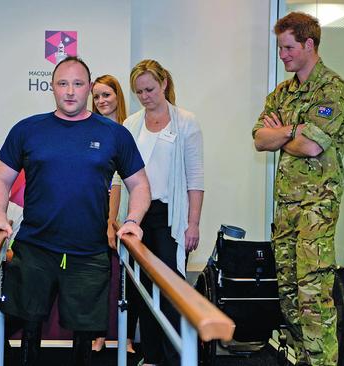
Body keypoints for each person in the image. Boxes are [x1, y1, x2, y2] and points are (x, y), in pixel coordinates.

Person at [0, 56, 151, 366]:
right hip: (36, 247)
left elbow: (140, 184)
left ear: (89, 87)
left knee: (85, 334)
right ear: (52, 87)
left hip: (88, 252)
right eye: (63, 84)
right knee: (29, 326)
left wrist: (132, 221)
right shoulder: (28, 129)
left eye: (78, 84)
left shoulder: (113, 134)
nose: (70, 91)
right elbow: (0, 178)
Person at [252, 12, 344, 365]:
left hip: (316, 211)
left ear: (309, 45)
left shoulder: (333, 89)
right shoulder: (282, 92)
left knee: (314, 300)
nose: (282, 55)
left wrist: (284, 133)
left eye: (288, 47)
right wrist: (295, 132)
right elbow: (259, 139)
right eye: (280, 48)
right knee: (290, 297)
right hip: (286, 212)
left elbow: (313, 146)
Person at [116, 59, 204, 366]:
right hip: (138, 216)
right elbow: (119, 177)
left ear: (164, 83)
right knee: (142, 290)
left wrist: (193, 223)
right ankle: (151, 356)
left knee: (170, 289)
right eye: (138, 92)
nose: (145, 96)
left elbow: (195, 178)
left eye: (150, 89)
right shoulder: (130, 125)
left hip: (171, 216)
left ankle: (177, 358)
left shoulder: (186, 122)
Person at [91, 74, 138, 355]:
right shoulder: (89, 129)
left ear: (117, 96)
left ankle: (127, 337)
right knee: (96, 277)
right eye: (96, 97)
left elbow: (120, 181)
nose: (101, 101)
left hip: (125, 214)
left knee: (129, 280)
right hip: (94, 213)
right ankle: (96, 335)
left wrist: (115, 219)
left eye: (106, 95)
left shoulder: (129, 129)